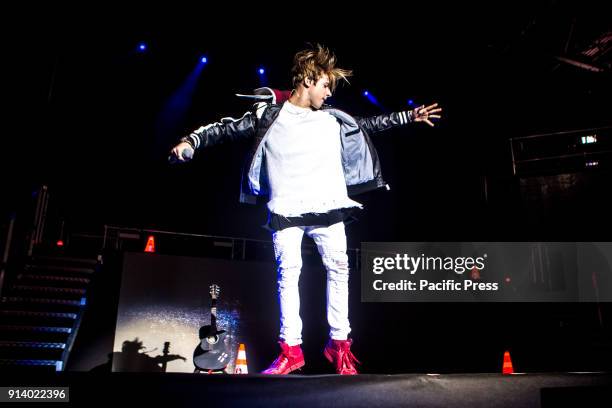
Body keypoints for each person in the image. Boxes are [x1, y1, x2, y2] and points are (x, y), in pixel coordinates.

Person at [170, 44, 441, 375]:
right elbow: (223, 127)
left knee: (339, 268)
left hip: (328, 207)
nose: (328, 93)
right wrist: (190, 142)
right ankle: (291, 350)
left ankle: (340, 346)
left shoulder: (330, 120)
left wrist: (407, 116)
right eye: (325, 85)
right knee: (289, 275)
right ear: (309, 79)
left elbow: (370, 124)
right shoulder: (269, 116)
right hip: (286, 210)